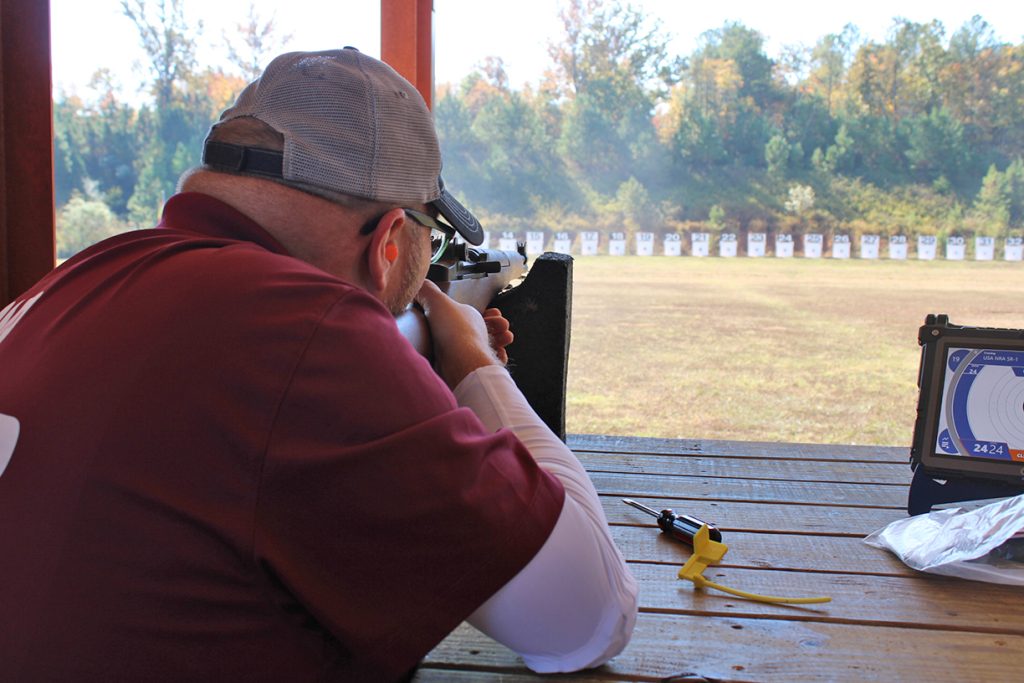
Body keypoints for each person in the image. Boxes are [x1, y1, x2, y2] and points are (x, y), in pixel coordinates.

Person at [0, 48, 637, 681]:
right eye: (430, 246)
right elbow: (590, 618)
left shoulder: (69, 281)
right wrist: (473, 363)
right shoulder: (306, 328)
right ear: (388, 242)